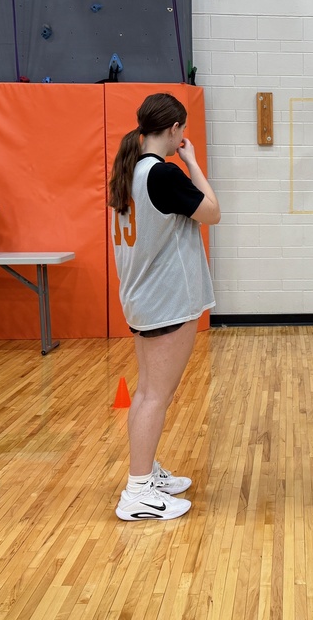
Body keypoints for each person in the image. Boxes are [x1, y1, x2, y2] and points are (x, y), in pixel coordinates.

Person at [108, 93, 220, 521]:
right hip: (165, 301)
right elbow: (212, 212)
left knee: (149, 392)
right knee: (155, 395)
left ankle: (146, 472)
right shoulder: (163, 174)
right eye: (182, 130)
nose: (183, 137)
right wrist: (193, 164)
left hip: (143, 297)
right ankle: (136, 491)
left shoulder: (130, 171)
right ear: (174, 129)